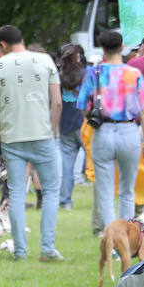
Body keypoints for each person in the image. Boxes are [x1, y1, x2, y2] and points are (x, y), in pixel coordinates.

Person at [0, 25, 64, 261]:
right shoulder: (45, 60)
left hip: (12, 136)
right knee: (51, 191)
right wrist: (53, 130)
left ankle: (20, 250)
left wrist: (0, 132)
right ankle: (48, 248)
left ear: (2, 45)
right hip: (42, 134)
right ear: (22, 39)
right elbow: (57, 102)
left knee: (17, 192)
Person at [79, 29, 144, 237]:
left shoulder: (94, 74)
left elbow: (83, 105)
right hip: (129, 131)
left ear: (102, 49)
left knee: (105, 191)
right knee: (128, 191)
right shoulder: (134, 74)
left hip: (103, 132)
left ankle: (111, 237)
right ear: (122, 47)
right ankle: (127, 236)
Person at [56, 43, 88, 210]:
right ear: (78, 56)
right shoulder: (85, 74)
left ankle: (65, 201)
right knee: (97, 164)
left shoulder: (57, 77)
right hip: (84, 124)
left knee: (66, 167)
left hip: (65, 124)